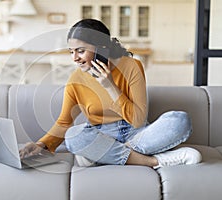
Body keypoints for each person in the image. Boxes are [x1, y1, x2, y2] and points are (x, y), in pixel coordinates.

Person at [20, 19, 202, 168]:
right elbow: (64, 123)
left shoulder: (131, 66)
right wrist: (39, 144)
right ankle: (154, 161)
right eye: (71, 52)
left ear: (101, 49)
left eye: (81, 51)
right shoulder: (76, 80)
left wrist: (110, 87)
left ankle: (103, 154)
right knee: (73, 136)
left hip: (136, 133)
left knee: (180, 120)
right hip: (101, 135)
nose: (74, 58)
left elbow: (138, 119)